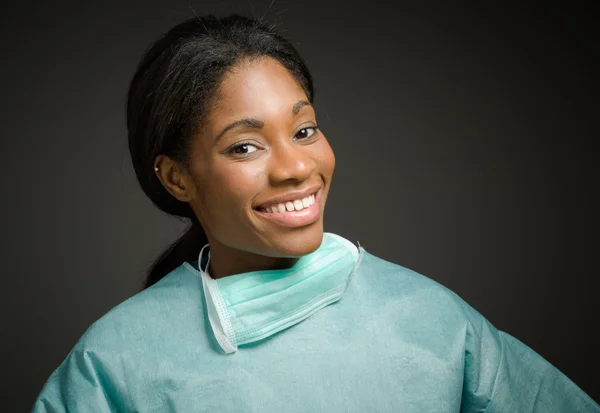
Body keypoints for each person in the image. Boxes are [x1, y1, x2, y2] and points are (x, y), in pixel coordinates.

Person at [32, 14, 599, 412]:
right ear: (177, 176)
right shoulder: (116, 362)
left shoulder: (433, 322)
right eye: (245, 146)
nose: (295, 168)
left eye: (304, 131)